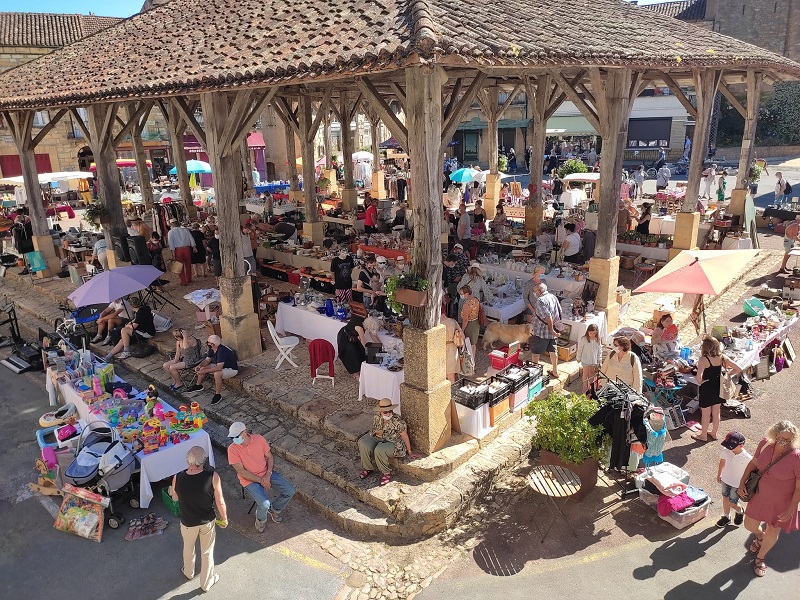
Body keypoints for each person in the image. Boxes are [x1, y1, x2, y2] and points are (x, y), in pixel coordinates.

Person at [737, 420, 800, 578]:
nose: (784, 443)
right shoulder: (765, 444)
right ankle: (760, 536)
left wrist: (791, 509)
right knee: (749, 524)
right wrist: (741, 483)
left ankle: (760, 558)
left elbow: (799, 487)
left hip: (782, 502)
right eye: (781, 439)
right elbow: (754, 463)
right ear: (774, 434)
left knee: (773, 529)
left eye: (788, 440)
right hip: (759, 495)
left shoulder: (796, 457)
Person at [170, 446, 226, 592]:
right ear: (203, 460)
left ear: (188, 459)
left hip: (187, 522)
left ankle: (188, 572)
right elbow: (220, 502)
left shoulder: (178, 477)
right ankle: (206, 583)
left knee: (188, 548)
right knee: (207, 552)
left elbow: (175, 499)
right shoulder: (212, 476)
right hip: (207, 521)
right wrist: (224, 518)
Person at [227, 421, 296, 533]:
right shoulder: (232, 449)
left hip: (265, 473)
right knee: (264, 504)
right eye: (232, 438)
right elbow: (241, 472)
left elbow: (269, 457)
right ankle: (260, 520)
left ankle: (275, 510)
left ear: (244, 433)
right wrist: (262, 480)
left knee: (290, 490)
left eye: (236, 437)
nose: (233, 440)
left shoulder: (259, 439)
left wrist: (268, 474)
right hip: (249, 479)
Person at [692, 336, 742, 443]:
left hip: (707, 388)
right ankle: (714, 433)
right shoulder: (723, 357)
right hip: (719, 388)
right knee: (716, 412)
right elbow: (738, 368)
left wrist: (700, 378)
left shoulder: (703, 359)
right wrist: (728, 374)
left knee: (706, 414)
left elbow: (699, 379)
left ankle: (703, 435)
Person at [358, 398, 418, 486]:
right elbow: (375, 429)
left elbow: (405, 436)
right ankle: (368, 468)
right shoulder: (377, 417)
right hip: (379, 438)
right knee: (363, 443)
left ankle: (386, 473)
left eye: (390, 411)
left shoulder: (398, 421)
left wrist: (410, 451)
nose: (389, 413)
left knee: (379, 449)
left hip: (394, 442)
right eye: (385, 412)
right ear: (381, 412)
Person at [184, 335, 239, 405]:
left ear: (212, 344)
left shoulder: (222, 351)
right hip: (221, 365)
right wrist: (199, 366)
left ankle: (217, 395)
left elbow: (219, 368)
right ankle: (198, 385)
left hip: (231, 369)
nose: (207, 343)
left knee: (217, 374)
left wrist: (204, 371)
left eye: (208, 342)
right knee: (202, 368)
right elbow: (207, 360)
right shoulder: (212, 349)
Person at [716, 431, 751, 528]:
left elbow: (749, 473)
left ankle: (740, 511)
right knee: (725, 498)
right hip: (725, 479)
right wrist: (719, 474)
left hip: (737, 485)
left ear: (741, 445)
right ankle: (726, 517)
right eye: (728, 445)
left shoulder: (747, 458)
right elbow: (722, 461)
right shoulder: (726, 450)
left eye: (732, 446)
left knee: (732, 503)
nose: (729, 448)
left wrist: (743, 485)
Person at [102, 297, 155, 361]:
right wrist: (130, 323)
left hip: (146, 332)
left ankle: (126, 351)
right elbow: (135, 320)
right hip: (143, 330)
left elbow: (134, 326)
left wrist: (128, 326)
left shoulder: (140, 313)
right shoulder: (145, 308)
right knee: (122, 340)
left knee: (124, 330)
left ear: (132, 306)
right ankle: (108, 356)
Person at [529, 282, 562, 378]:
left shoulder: (540, 300)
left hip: (542, 331)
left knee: (535, 352)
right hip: (553, 330)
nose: (534, 292)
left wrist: (551, 330)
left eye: (535, 291)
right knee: (553, 351)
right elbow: (559, 311)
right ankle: (555, 371)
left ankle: (534, 374)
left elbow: (548, 316)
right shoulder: (552, 296)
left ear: (539, 291)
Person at [163, 328, 202, 392]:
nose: (175, 338)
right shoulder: (178, 341)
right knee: (165, 365)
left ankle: (179, 383)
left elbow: (185, 347)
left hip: (192, 360)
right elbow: (178, 353)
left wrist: (185, 336)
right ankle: (174, 380)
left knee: (172, 367)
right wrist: (175, 361)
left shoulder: (190, 340)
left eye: (176, 337)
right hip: (184, 358)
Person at [337, 314, 374, 379]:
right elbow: (363, 341)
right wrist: (370, 351)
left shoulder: (369, 322)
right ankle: (356, 374)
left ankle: (361, 370)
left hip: (354, 337)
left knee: (361, 352)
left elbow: (373, 336)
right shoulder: (360, 328)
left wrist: (381, 345)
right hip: (345, 336)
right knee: (352, 354)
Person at [167, 218, 196, 285]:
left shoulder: (171, 232)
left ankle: (183, 281)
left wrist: (172, 252)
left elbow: (171, 243)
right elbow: (191, 238)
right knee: (188, 264)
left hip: (178, 250)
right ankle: (189, 279)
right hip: (187, 248)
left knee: (180, 266)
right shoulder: (185, 230)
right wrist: (194, 246)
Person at [577, 324, 602, 393]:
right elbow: (580, 349)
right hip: (585, 359)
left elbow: (599, 351)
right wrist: (578, 357)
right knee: (585, 373)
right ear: (587, 332)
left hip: (593, 360)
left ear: (597, 332)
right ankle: (584, 386)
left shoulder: (598, 340)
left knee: (591, 373)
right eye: (591, 333)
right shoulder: (584, 339)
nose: (592, 335)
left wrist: (599, 360)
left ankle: (590, 386)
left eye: (594, 333)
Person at [441, 305, 463, 383]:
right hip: (452, 349)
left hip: (440, 350)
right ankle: (451, 393)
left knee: (441, 376)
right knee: (451, 376)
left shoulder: (436, 324)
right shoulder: (453, 321)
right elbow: (462, 335)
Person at [459, 285, 481, 357]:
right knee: (473, 344)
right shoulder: (476, 300)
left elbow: (465, 320)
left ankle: (470, 362)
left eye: (462, 294)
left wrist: (462, 330)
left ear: (467, 294)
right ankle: (473, 360)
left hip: (469, 325)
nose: (461, 295)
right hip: (476, 323)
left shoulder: (466, 305)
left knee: (468, 344)